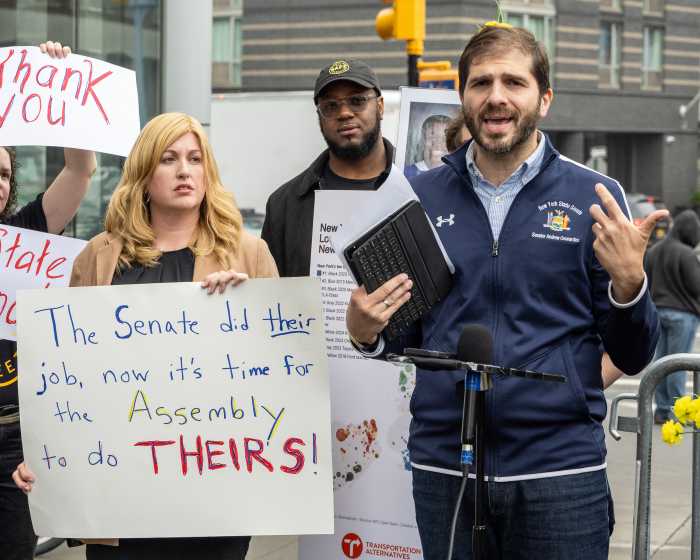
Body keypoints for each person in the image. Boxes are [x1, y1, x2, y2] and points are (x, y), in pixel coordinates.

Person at [345, 24, 665, 559]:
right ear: (463, 98)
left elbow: (633, 354)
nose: (496, 97)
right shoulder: (417, 194)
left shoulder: (595, 196)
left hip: (560, 473)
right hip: (446, 472)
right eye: (481, 83)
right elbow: (403, 333)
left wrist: (631, 286)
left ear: (544, 98)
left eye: (514, 82)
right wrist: (365, 333)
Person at [13, 112, 277, 560]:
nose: (184, 171)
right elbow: (67, 374)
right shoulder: (99, 256)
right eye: (168, 159)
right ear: (143, 175)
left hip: (213, 487)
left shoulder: (248, 254)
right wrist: (44, 450)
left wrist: (248, 309)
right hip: (119, 491)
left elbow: (281, 371)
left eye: (195, 159)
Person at [0, 41, 97, 560]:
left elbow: (80, 171)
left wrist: (62, 86)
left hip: (14, 441)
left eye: (4, 175)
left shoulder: (26, 235)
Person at [261, 58, 394, 276]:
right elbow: (270, 290)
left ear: (380, 107)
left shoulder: (419, 186)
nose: (344, 113)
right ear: (319, 117)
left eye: (357, 100)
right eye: (331, 106)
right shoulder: (284, 204)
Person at [645, 209, 700, 424]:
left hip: (657, 312)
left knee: (661, 363)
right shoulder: (686, 254)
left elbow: (645, 282)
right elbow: (696, 286)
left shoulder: (653, 251)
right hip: (683, 315)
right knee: (678, 364)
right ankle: (677, 412)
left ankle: (661, 410)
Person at [404, 114, 451, 178]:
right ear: (423, 141)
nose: (438, 144)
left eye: (444, 138)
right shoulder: (406, 174)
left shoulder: (458, 176)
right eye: (432, 136)